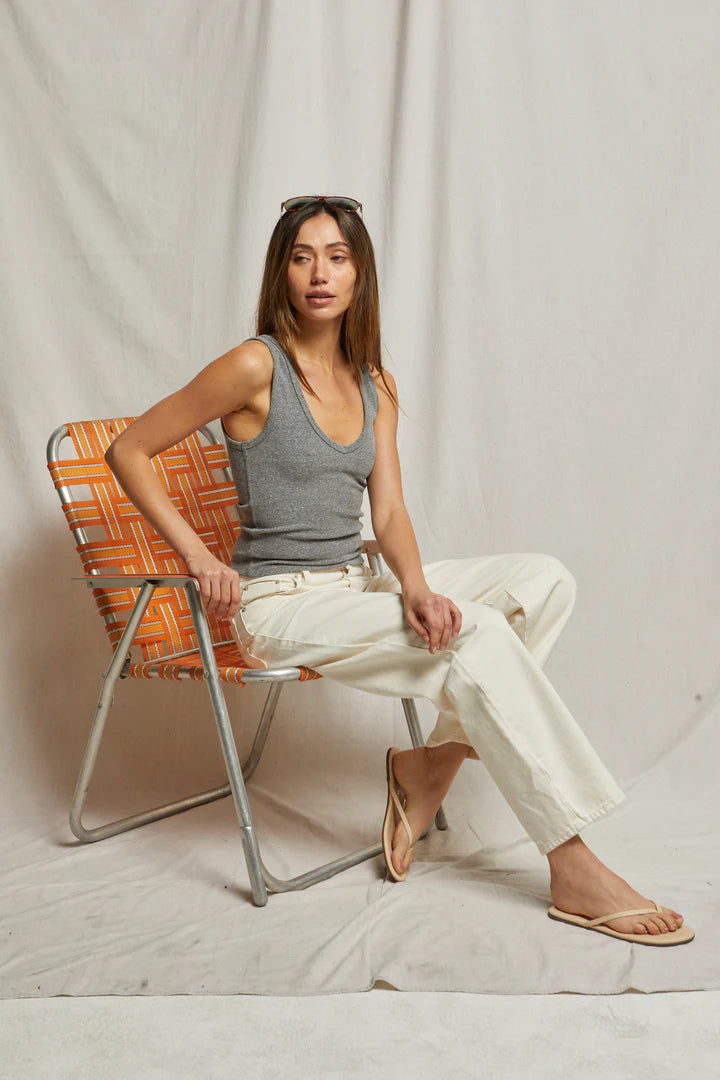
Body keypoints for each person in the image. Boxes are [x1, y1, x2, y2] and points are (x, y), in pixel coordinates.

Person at [106, 194, 693, 946]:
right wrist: (196, 554)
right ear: (281, 272)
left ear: (360, 274)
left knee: (544, 580)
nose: (320, 273)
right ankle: (571, 859)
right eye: (302, 256)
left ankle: (433, 764)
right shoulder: (255, 365)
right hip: (278, 605)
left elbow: (388, 515)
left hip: (358, 582)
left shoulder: (374, 383)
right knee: (475, 636)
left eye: (338, 256)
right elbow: (128, 449)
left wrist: (416, 586)